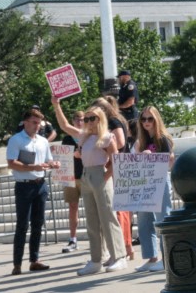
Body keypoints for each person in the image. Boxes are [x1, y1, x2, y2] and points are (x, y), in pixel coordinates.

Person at [53, 98, 127, 275]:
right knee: (92, 221)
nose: (87, 122)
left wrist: (105, 177)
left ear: (100, 119)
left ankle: (119, 256)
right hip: (86, 176)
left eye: (91, 118)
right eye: (86, 119)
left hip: (101, 176)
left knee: (108, 218)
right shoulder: (83, 137)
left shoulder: (108, 137)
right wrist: (56, 105)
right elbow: (64, 125)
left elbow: (116, 161)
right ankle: (96, 259)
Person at [5, 107, 59, 275]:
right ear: (25, 122)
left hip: (40, 184)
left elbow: (48, 159)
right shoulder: (16, 140)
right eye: (34, 123)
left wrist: (53, 164)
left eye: (40, 123)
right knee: (22, 225)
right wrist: (33, 166)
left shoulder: (43, 141)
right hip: (24, 185)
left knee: (38, 223)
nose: (38, 126)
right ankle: (17, 264)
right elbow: (12, 163)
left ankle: (34, 260)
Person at [133, 105, 175, 273]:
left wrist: (151, 157)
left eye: (150, 119)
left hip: (160, 180)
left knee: (163, 218)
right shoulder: (143, 140)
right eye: (143, 119)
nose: (146, 122)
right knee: (144, 219)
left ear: (156, 119)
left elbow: (168, 160)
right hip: (146, 181)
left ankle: (167, 258)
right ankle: (152, 257)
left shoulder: (162, 138)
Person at [93, 95, 135, 260]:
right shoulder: (118, 120)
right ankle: (126, 248)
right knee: (121, 210)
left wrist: (101, 147)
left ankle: (123, 248)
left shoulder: (113, 122)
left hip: (116, 168)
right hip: (118, 166)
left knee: (118, 212)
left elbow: (120, 142)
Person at [60, 111, 87, 253]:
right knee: (72, 206)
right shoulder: (67, 138)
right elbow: (63, 156)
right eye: (76, 119)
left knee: (91, 208)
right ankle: (73, 239)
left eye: (82, 119)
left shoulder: (88, 135)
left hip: (86, 175)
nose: (79, 122)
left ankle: (97, 239)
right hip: (71, 176)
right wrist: (73, 154)